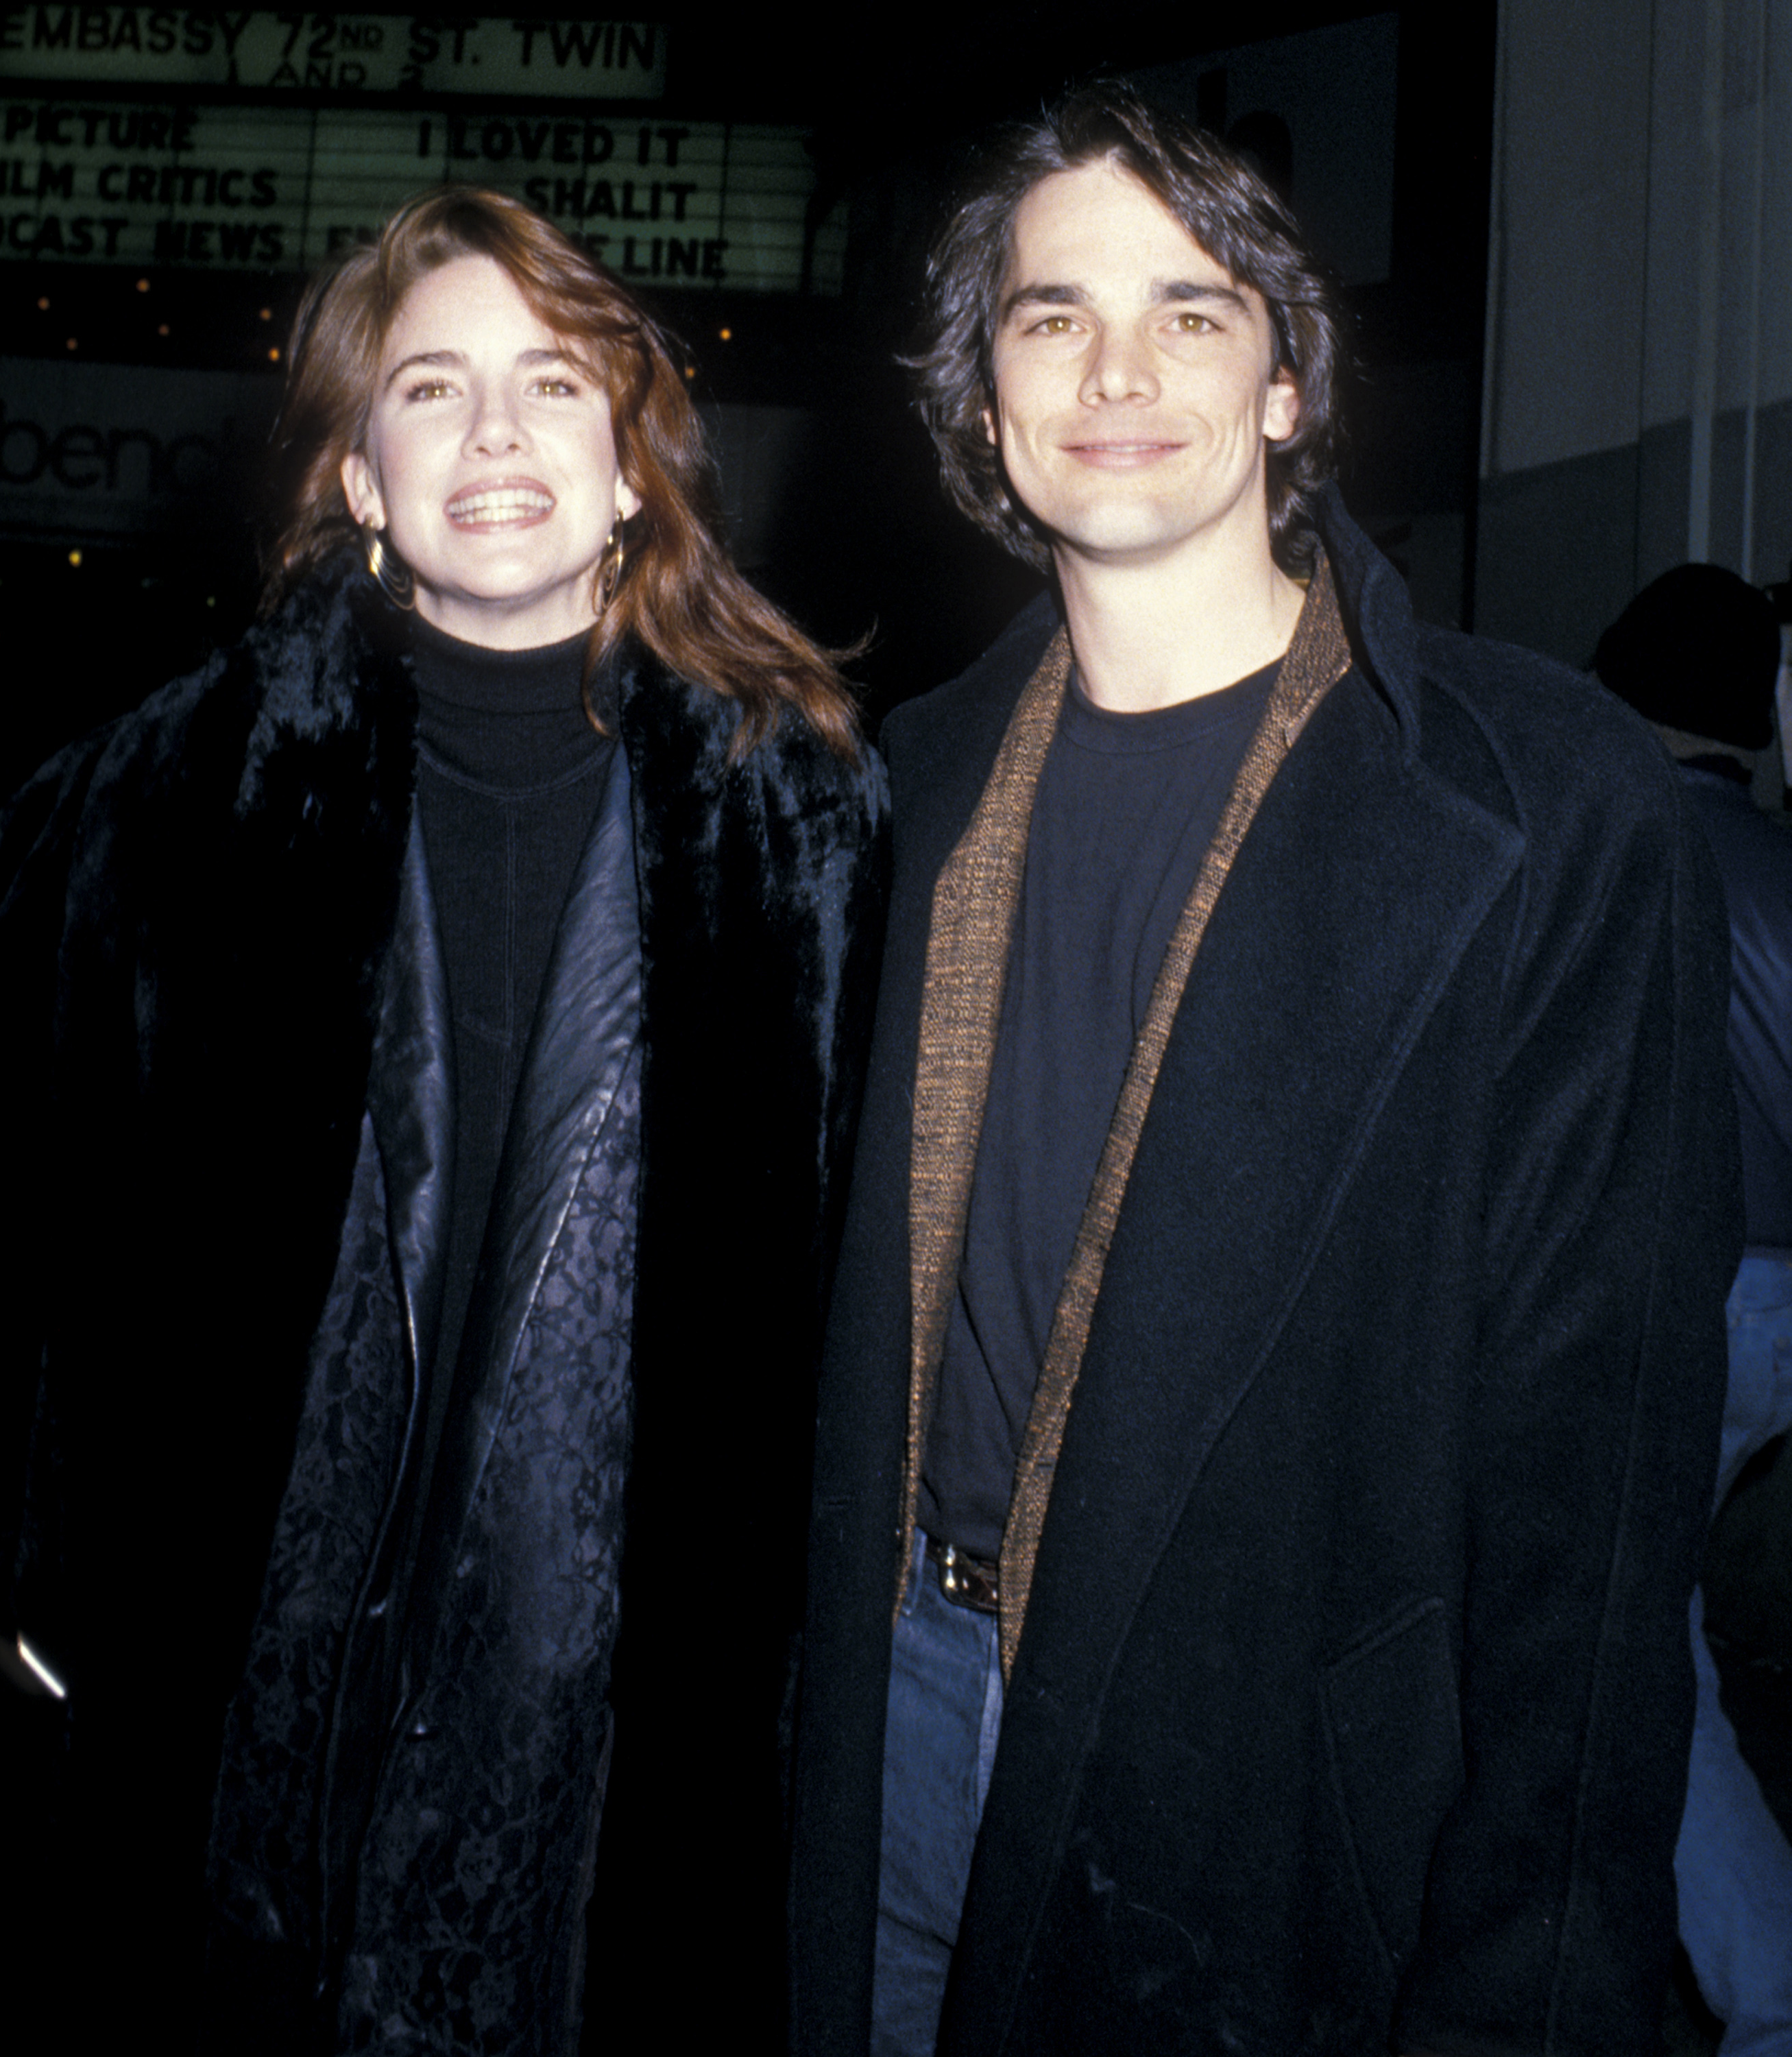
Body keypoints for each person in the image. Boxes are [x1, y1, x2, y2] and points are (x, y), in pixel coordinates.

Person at [788, 80, 1741, 2057]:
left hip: (1270, 1797)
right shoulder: (899, 794)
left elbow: (1594, 1512)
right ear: (983, 401)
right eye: (1053, 316)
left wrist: (1529, 1983)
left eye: (1194, 308)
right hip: (895, 1718)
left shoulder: (1544, 806)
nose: (1116, 368)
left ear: (1290, 385)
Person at [0, 187, 887, 2054]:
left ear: (631, 470)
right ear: (362, 477)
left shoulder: (813, 832)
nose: (495, 434)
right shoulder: (155, 796)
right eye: (431, 390)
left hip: (632, 1778)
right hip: (219, 1748)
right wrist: (18, 1604)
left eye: (549, 386)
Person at [1594, 564, 1792, 2057]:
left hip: (1690, 1295)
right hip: (1786, 1312)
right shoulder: (1783, 862)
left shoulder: (1632, 854)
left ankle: (1762, 1984)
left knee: (1630, 1645)